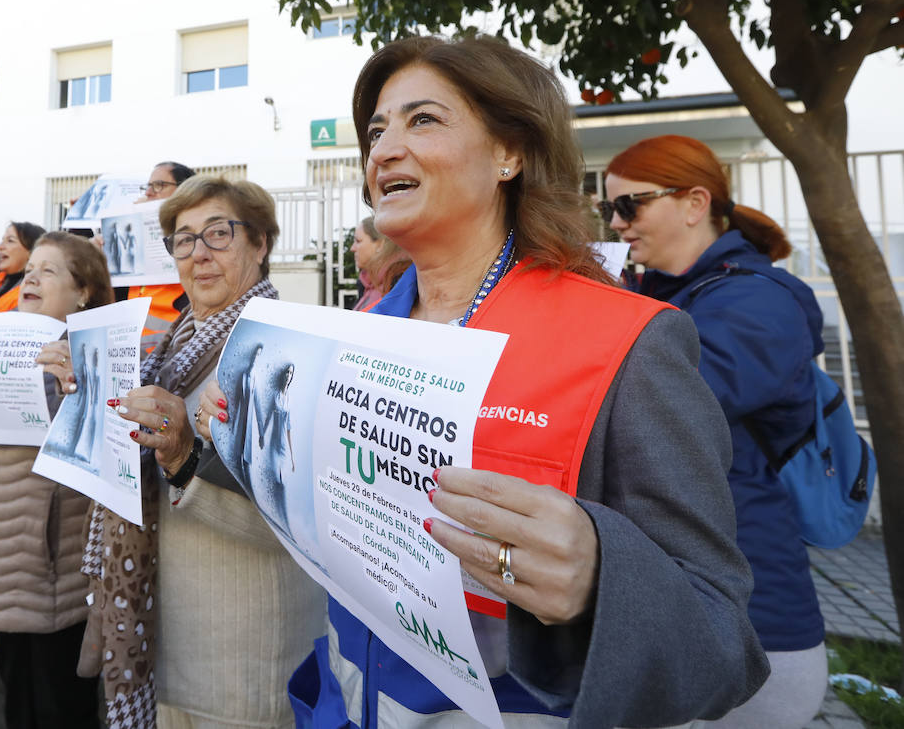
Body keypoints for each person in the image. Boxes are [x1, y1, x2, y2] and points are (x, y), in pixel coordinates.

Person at [195, 36, 768, 727]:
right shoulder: (357, 327)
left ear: (509, 153)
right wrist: (235, 430)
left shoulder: (628, 342)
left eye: (423, 120)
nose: (383, 150)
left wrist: (599, 578)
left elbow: (722, 643)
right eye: (376, 131)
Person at [76, 175, 324, 729]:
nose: (198, 253)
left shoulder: (286, 348)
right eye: (183, 239)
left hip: (246, 653)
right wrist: (85, 392)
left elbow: (294, 525)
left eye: (218, 233)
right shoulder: (170, 347)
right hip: (171, 639)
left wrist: (186, 455)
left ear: (260, 244)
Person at [605, 134, 828, 728]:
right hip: (687, 606)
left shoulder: (759, 303)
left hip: (755, 631)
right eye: (609, 209)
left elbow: (660, 402)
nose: (617, 224)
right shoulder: (667, 295)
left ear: (695, 202)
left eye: (631, 206)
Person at [0, 232, 112, 729]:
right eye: (30, 269)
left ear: (84, 291)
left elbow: (111, 455)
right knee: (16, 698)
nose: (31, 277)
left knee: (60, 705)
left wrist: (80, 383)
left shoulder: (98, 356)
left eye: (49, 270)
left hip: (50, 573)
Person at [130, 162, 195, 353]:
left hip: (172, 358)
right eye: (148, 186)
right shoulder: (135, 243)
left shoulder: (195, 247)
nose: (149, 193)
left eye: (159, 185)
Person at [348, 215, 409, 312]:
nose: (352, 248)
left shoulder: (400, 282)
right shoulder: (368, 284)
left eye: (358, 241)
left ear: (381, 244)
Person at [0, 221, 44, 312]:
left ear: (32, 251)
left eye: (10, 241)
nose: (0, 247)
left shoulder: (33, 292)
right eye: (2, 240)